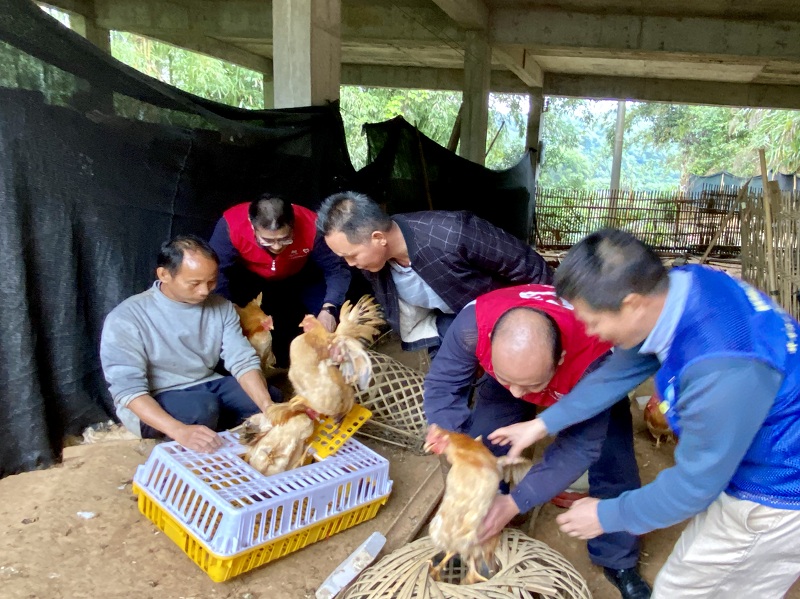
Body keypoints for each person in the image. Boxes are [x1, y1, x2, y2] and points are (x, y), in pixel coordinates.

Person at [490, 228, 800, 599]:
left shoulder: (721, 369)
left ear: (632, 303)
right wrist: (542, 424)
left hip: (776, 493)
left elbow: (693, 487)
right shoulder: (683, 286)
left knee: (681, 589)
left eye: (593, 322)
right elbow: (619, 372)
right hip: (749, 453)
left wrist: (606, 515)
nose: (589, 332)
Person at [424, 284, 650, 599]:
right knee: (485, 448)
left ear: (560, 358)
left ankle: (617, 557)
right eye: (509, 380)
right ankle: (481, 540)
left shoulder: (596, 358)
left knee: (612, 460)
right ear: (490, 345)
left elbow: (579, 447)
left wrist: (520, 498)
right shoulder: (472, 326)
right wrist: (454, 439)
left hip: (585, 385)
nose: (521, 395)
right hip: (520, 367)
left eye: (531, 385)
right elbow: (443, 384)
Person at [100, 235, 281, 453]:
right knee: (203, 409)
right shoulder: (126, 318)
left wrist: (267, 407)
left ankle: (210, 427)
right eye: (194, 283)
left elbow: (241, 359)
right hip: (156, 395)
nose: (205, 291)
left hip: (206, 385)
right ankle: (192, 430)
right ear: (164, 274)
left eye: (211, 281)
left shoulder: (221, 307)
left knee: (271, 398)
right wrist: (178, 431)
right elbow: (128, 390)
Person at [317, 191, 553, 354]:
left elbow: (531, 268)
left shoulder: (453, 233)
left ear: (378, 238)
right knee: (441, 393)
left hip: (508, 322)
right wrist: (348, 341)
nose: (350, 263)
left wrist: (549, 327)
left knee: (494, 409)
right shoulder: (374, 264)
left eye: (351, 255)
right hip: (451, 324)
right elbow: (386, 308)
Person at [208, 193, 351, 367]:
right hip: (250, 277)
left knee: (331, 326)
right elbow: (216, 271)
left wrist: (330, 307)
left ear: (293, 225)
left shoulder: (312, 226)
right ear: (253, 227)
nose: (277, 247)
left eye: (284, 239)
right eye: (267, 241)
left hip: (302, 273)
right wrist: (228, 308)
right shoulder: (231, 225)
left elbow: (336, 269)